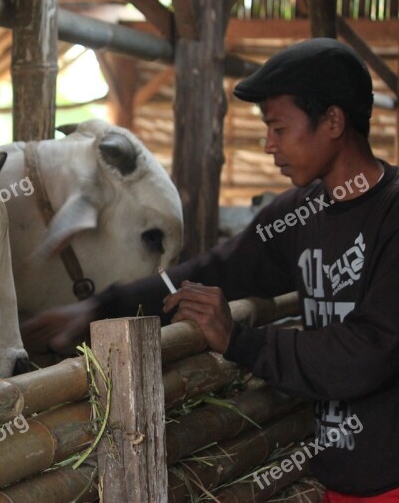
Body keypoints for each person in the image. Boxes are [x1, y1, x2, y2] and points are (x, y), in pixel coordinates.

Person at [21, 38, 399, 501]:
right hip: (343, 476)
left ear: (333, 121)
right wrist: (100, 307)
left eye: (278, 129)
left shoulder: (392, 214)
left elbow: (369, 351)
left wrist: (240, 341)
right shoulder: (299, 214)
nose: (268, 146)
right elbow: (219, 268)